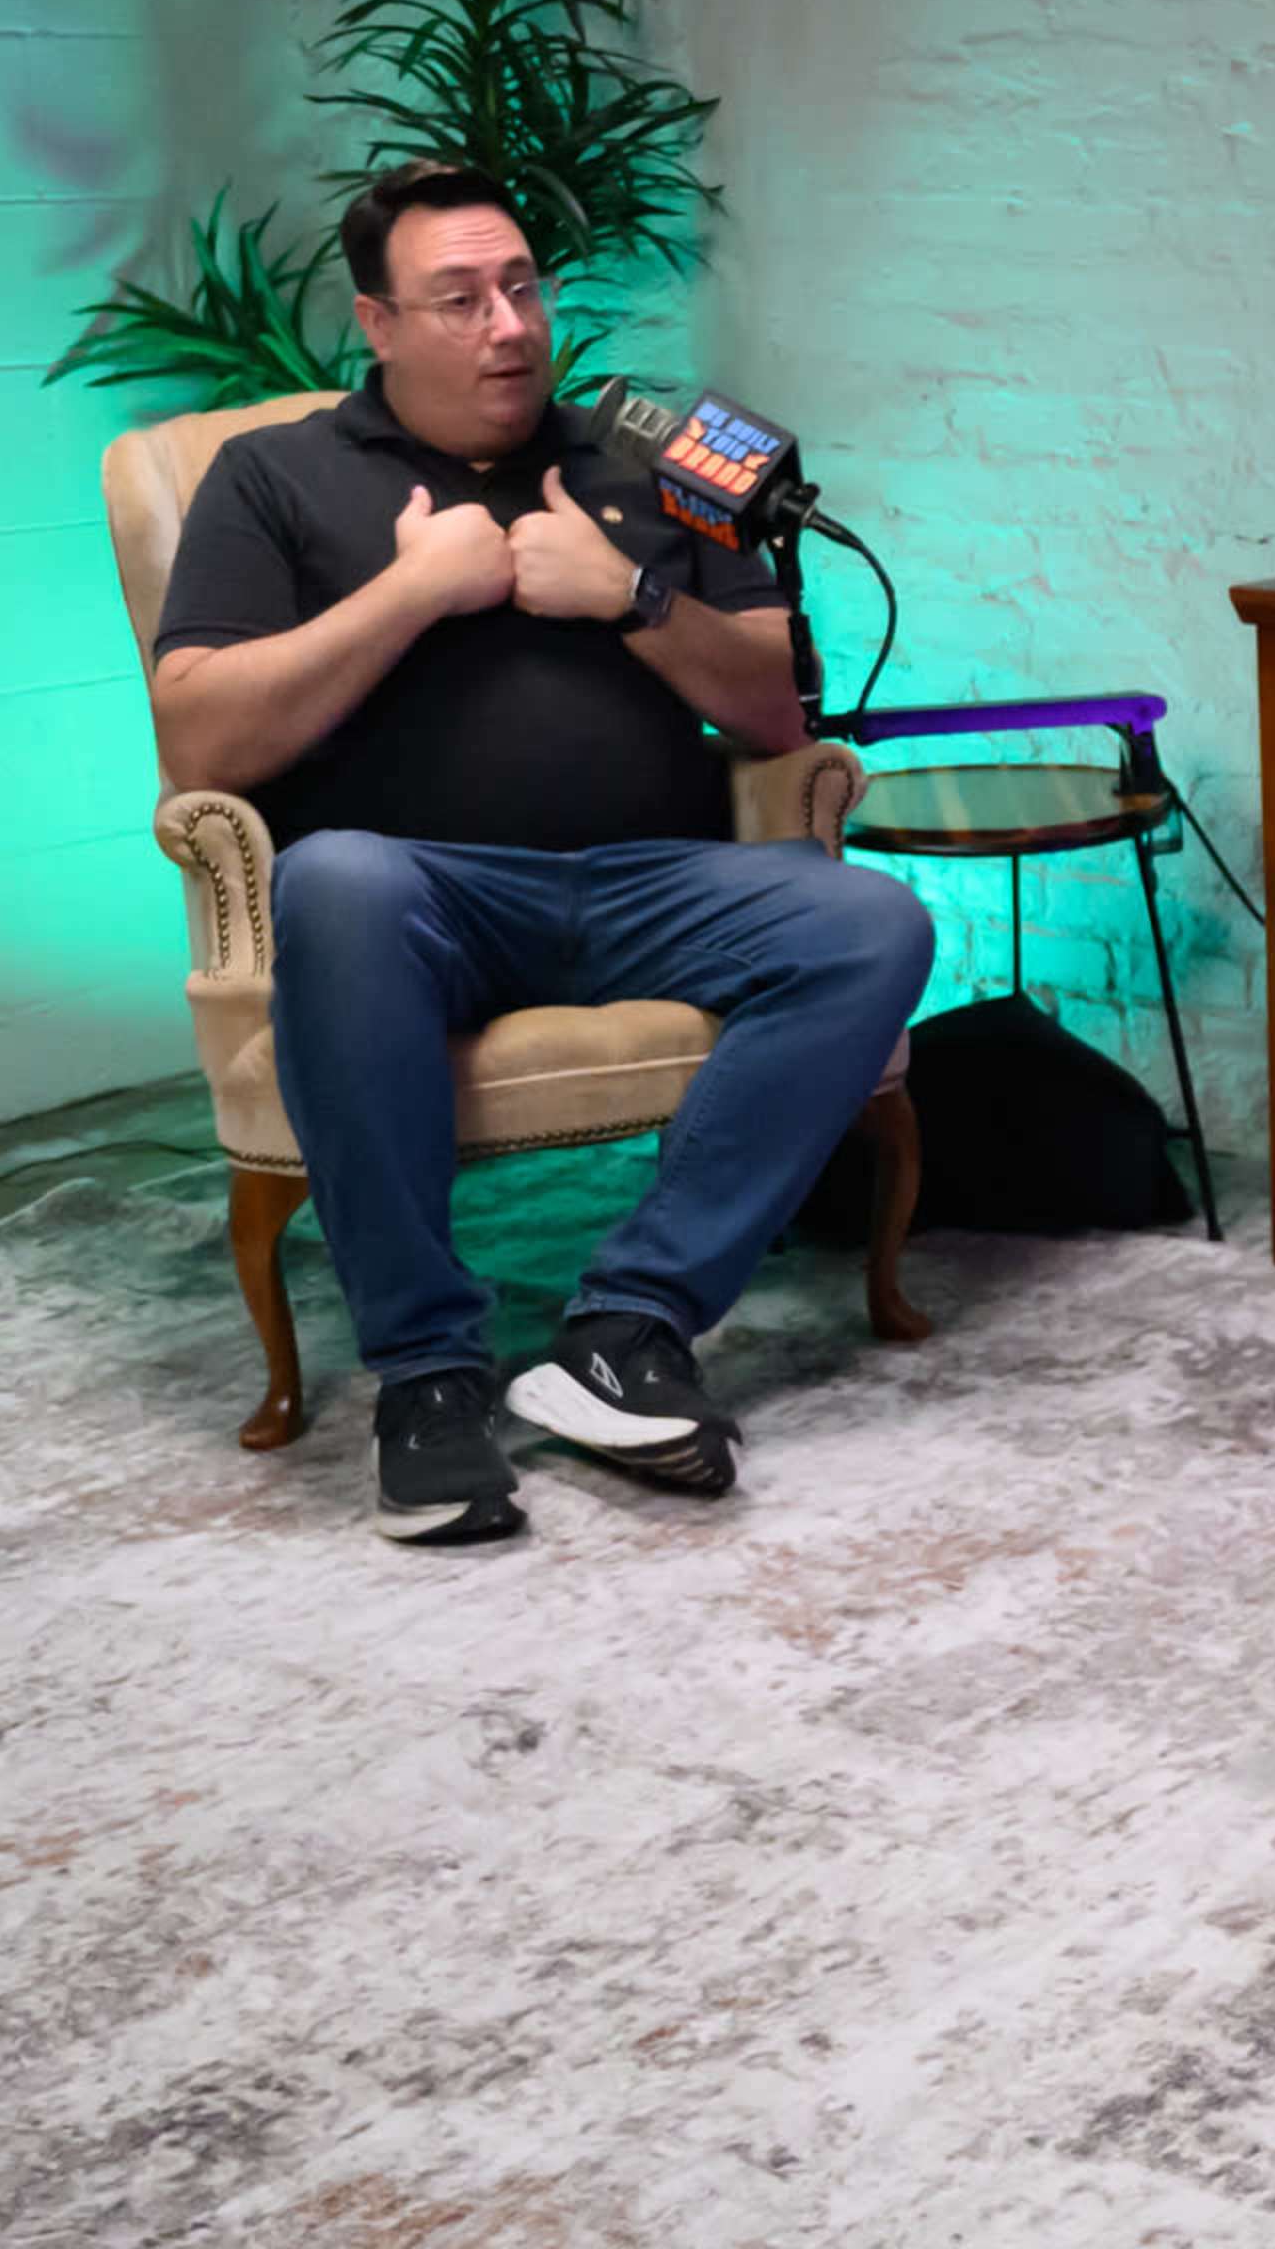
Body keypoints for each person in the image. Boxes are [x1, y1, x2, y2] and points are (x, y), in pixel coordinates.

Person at [149, 160, 935, 1546]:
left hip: (653, 883)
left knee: (867, 921)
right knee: (333, 878)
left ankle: (626, 1335)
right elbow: (201, 742)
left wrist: (626, 595)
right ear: (377, 323)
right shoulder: (270, 477)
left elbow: (772, 708)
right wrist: (413, 590)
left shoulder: (650, 457)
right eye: (458, 300)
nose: (509, 325)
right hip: (421, 894)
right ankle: (429, 1378)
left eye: (522, 288)